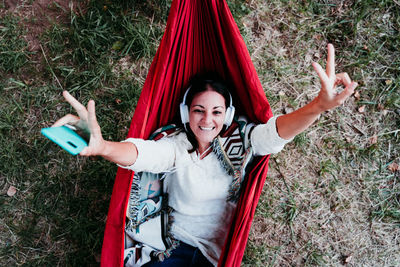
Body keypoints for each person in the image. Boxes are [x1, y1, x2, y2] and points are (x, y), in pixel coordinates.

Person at [52, 44, 358, 266]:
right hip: (170, 252)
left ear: (227, 116)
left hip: (212, 258)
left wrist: (318, 106)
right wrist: (103, 147)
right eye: (199, 110)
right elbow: (142, 154)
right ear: (187, 114)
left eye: (216, 111)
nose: (207, 119)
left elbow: (277, 132)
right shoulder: (176, 146)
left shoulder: (242, 141)